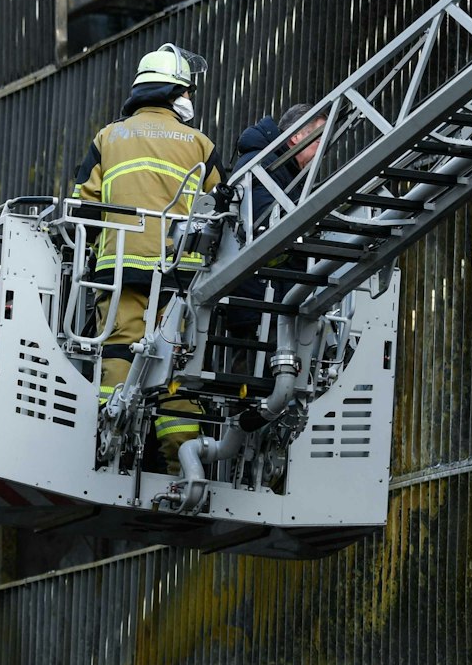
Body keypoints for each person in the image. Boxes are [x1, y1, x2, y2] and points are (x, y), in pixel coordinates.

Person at [70, 43, 221, 468]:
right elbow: (220, 208)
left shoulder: (108, 137)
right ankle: (181, 460)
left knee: (119, 350)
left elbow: (84, 203)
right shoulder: (200, 144)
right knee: (176, 363)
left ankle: (109, 442)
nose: (190, 100)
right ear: (173, 94)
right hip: (179, 274)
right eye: (187, 92)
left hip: (120, 266)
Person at [220, 103, 326, 338]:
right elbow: (263, 226)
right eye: (320, 138)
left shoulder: (283, 171)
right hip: (259, 301)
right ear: (297, 136)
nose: (324, 148)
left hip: (271, 298)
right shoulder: (262, 167)